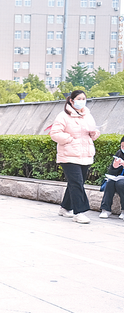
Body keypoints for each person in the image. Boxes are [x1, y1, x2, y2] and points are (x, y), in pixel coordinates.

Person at [50, 90, 100, 224]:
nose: (82, 101)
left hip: (85, 155)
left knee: (77, 183)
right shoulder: (63, 116)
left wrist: (94, 134)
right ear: (71, 101)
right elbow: (54, 133)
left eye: (84, 99)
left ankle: (65, 208)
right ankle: (79, 213)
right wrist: (69, 139)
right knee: (77, 183)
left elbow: (94, 132)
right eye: (79, 99)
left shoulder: (87, 115)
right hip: (69, 155)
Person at [99, 135, 124, 219]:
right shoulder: (119, 153)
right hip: (118, 178)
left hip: (121, 182)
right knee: (110, 182)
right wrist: (114, 166)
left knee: (120, 183)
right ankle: (105, 209)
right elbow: (111, 172)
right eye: (122, 146)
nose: (123, 148)